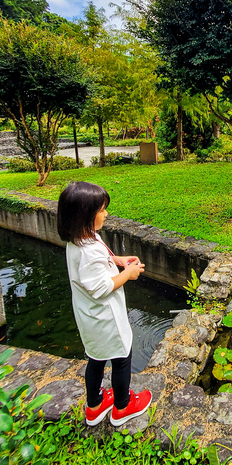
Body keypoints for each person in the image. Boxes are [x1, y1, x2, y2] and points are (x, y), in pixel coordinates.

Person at [57, 181, 153, 426]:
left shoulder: (80, 239)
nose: (106, 213)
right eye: (102, 210)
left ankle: (95, 405)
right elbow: (100, 287)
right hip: (105, 318)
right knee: (122, 356)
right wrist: (128, 274)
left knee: (96, 358)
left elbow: (95, 268)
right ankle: (122, 407)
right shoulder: (88, 251)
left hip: (90, 318)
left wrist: (118, 260)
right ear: (86, 215)